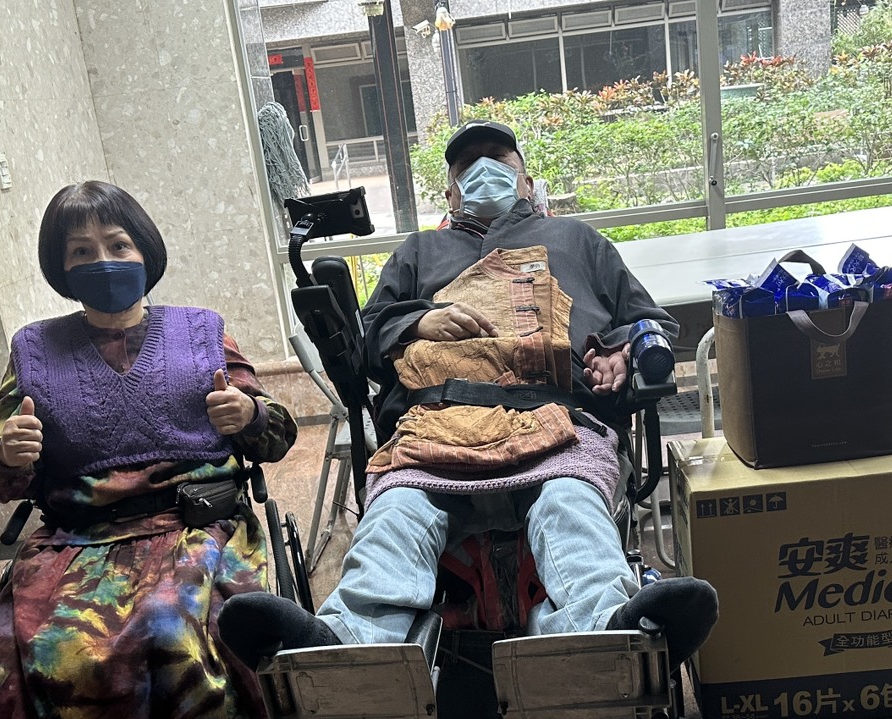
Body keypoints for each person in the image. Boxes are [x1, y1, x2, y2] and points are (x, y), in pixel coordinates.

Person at [222, 120, 717, 672]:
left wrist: (623, 351)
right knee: (398, 514)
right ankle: (346, 645)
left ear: (527, 183)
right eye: (467, 166)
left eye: (498, 160)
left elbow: (650, 324)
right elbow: (367, 338)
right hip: (437, 424)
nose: (483, 170)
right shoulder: (419, 251)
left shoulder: (580, 241)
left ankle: (607, 630)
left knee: (568, 504)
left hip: (558, 421)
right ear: (451, 192)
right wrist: (418, 321)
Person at [0, 181, 312, 719]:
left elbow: (277, 434)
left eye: (117, 244)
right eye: (81, 250)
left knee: (174, 635)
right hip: (79, 541)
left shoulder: (202, 332)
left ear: (145, 249)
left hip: (196, 528)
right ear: (60, 267)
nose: (103, 260)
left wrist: (249, 413)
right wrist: (10, 453)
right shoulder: (33, 351)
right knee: (66, 657)